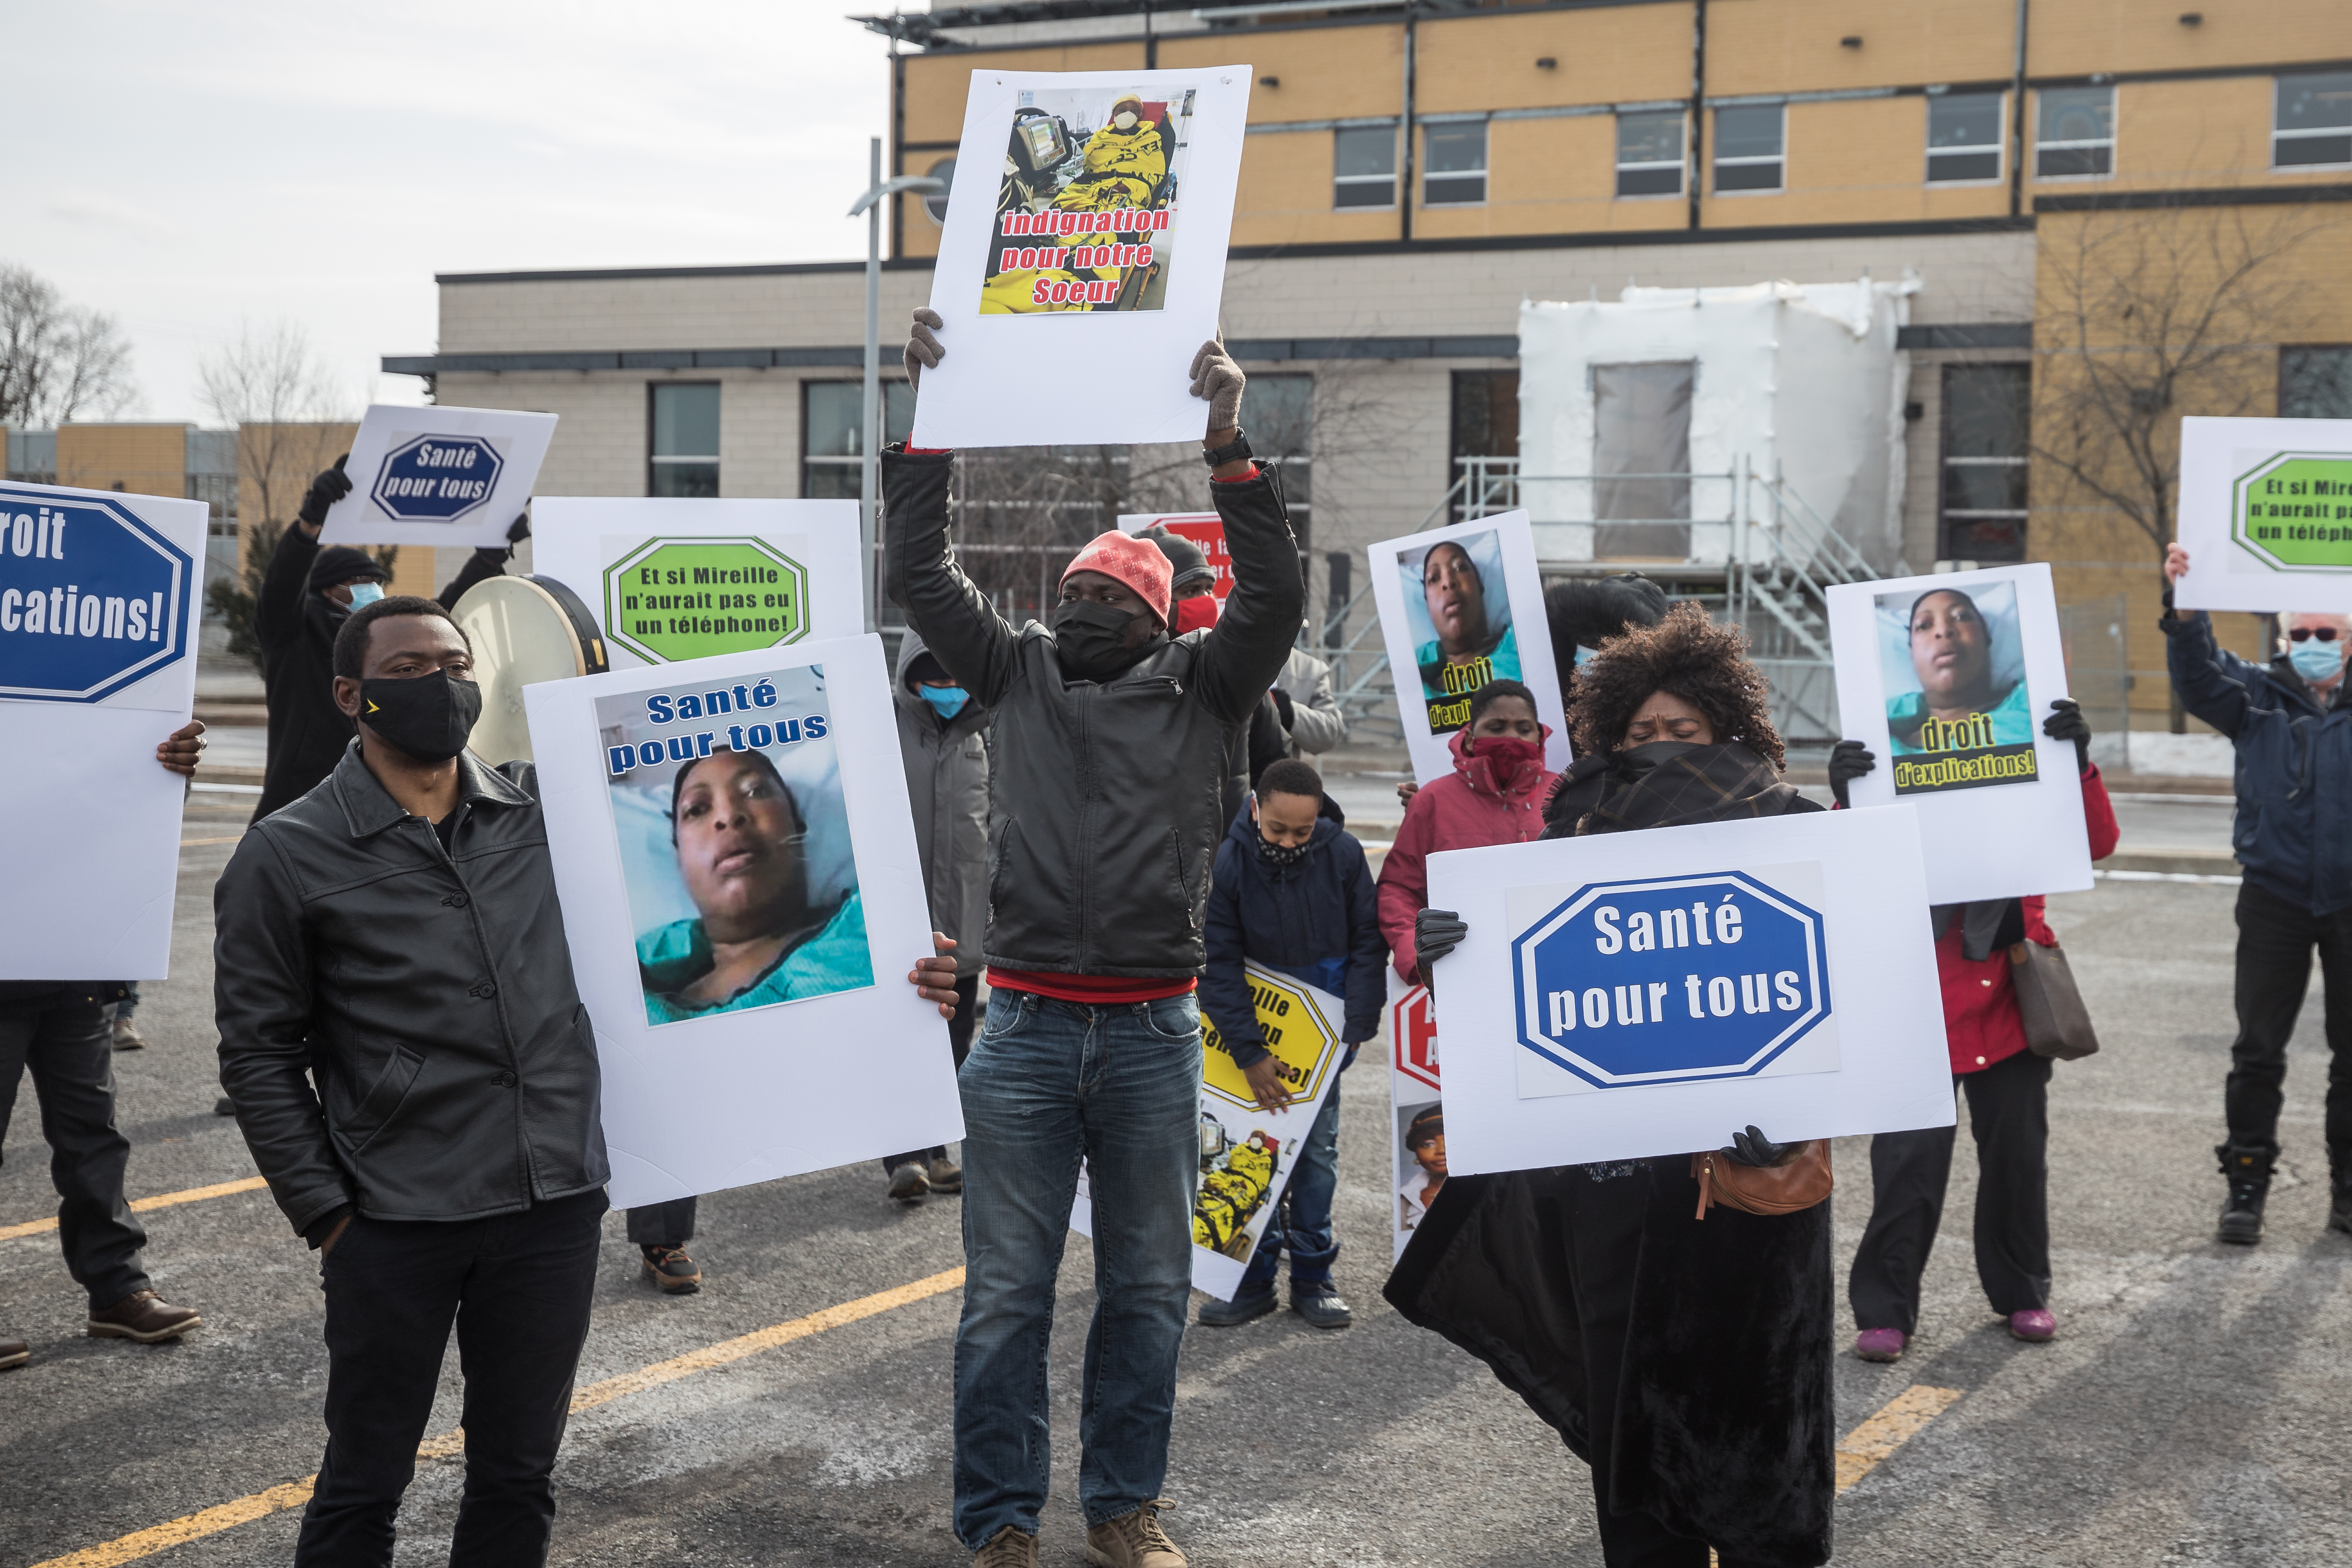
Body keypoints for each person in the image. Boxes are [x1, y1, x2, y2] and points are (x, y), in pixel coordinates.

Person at [891, 314, 1300, 1568]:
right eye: (1067, 590)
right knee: (1004, 1299)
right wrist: (932, 419)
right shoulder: (1013, 673)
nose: (1075, 607)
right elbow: (921, 571)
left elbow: (1274, 586)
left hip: (1148, 1037)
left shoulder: (1209, 690)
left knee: (1140, 1295)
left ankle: (1124, 1508)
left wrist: (1227, 441)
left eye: (1104, 596)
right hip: (1016, 1030)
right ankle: (1001, 1522)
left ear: (1156, 616)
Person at [1390, 603, 1835, 1568]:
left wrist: (1799, 1126)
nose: (1666, 749)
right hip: (1614, 1201)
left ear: (1729, 729)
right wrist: (1446, 956)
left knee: (1759, 1433)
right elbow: (1520, 1009)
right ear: (1609, 737)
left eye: (1686, 731)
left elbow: (1855, 1002)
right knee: (1633, 1441)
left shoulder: (1800, 832)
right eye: (1644, 734)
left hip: (1751, 1191)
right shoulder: (1567, 844)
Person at [214, 593, 608, 1566]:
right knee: (365, 1481)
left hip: (552, 1205)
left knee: (519, 1475)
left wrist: (899, 950)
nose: (442, 683)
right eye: (408, 669)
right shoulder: (287, 851)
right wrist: (327, 1213)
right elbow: (259, 1051)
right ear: (350, 693)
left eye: (456, 661)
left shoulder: (551, 811)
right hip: (394, 1219)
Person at [1830, 698, 2121, 1359]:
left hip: (2012, 1001)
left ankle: (2023, 1292)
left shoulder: (2024, 769)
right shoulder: (1900, 769)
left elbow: (2097, 844)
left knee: (2017, 1161)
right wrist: (1848, 800)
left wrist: (2075, 764)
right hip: (1919, 998)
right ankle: (1885, 1310)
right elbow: (1851, 867)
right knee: (1907, 1169)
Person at [0, 722, 210, 1372]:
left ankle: (118, 1292)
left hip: (75, 967)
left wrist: (162, 774)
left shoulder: (87, 706)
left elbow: (111, 812)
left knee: (93, 1136)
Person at [2161, 543, 2352, 1243]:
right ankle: (2246, 1186)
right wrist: (2186, 610)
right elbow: (2198, 675)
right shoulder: (2257, 698)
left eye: (2325, 635)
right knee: (2258, 1051)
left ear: (2350, 640)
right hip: (2274, 896)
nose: (2311, 645)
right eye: (2299, 635)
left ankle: (2347, 1193)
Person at [1195, 757, 1385, 1330]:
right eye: (1277, 829)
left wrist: (1356, 1026)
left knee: (1315, 1157)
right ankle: (1248, 1282)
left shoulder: (1344, 853)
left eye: (1303, 831)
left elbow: (1367, 942)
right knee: (1241, 1153)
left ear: (1319, 816)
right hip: (1247, 1038)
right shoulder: (1228, 860)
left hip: (1322, 1039)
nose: (1289, 841)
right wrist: (1249, 1053)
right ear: (1256, 808)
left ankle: (1312, 1277)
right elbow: (1218, 962)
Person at [250, 457, 527, 822]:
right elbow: (282, 588)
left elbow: (439, 614)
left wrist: (488, 561)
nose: (372, 589)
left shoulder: (387, 633)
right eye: (358, 581)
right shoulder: (294, 633)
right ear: (324, 590)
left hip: (386, 805)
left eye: (377, 581)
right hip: (304, 803)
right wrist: (309, 528)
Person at [880, 631, 992, 1206]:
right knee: (903, 1034)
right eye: (934, 679)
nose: (948, 690)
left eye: (956, 677)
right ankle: (903, 1160)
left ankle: (937, 1149)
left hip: (966, 911)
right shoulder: (885, 726)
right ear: (909, 678)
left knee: (955, 1037)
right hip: (904, 913)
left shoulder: (984, 730)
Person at [637, 747, 869, 1022]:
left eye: (756, 792)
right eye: (697, 809)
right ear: (679, 859)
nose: (728, 816)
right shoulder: (626, 987)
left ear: (798, 826)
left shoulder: (874, 924)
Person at [1377, 679, 1559, 987]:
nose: (1511, 737)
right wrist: (1417, 952)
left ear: (1540, 736)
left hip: (1554, 971)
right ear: (1472, 738)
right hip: (1463, 976)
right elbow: (1398, 888)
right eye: (1498, 726)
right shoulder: (1432, 801)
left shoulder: (1564, 796)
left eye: (1524, 728)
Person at [1887, 586, 2034, 757]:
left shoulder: (2032, 707)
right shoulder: (1874, 736)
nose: (1943, 631)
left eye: (1962, 617)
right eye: (1924, 625)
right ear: (1912, 653)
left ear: (1986, 637)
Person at [1415, 539, 1520, 710]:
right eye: (1434, 578)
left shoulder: (1521, 644)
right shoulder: (1415, 677)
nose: (1448, 583)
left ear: (1480, 586)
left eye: (1460, 568)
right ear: (1427, 606)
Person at [1397, 1105, 1445, 1235]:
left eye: (1450, 1139)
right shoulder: (1405, 1199)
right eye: (1428, 1144)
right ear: (1417, 1153)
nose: (1442, 1150)